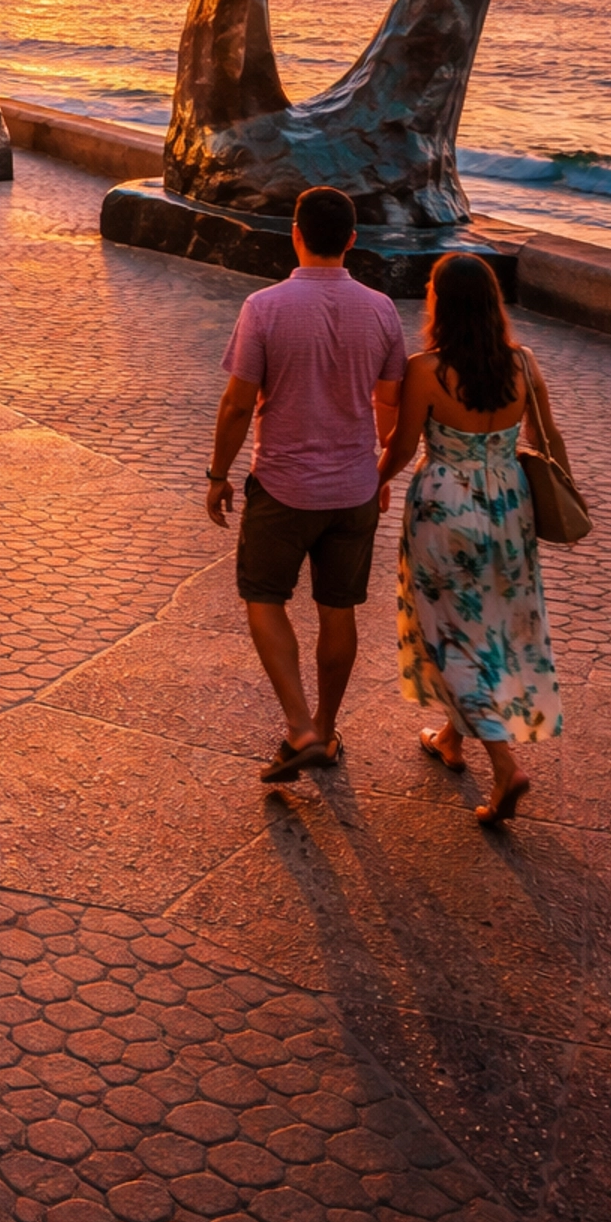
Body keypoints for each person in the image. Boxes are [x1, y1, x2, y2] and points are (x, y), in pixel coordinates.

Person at [205, 186, 406, 783]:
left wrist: (218, 474)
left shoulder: (264, 308)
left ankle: (300, 727)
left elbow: (238, 404)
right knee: (337, 607)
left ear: (295, 233)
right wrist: (381, 474)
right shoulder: (381, 310)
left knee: (264, 597)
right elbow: (389, 401)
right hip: (353, 488)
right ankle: (326, 723)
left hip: (284, 485)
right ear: (351, 239)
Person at [377, 253, 565, 827]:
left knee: (449, 635)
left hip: (444, 506)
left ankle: (504, 764)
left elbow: (404, 447)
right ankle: (451, 741)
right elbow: (549, 438)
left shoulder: (427, 369)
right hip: (510, 507)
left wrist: (373, 483)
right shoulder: (523, 363)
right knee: (486, 622)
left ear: (441, 302)